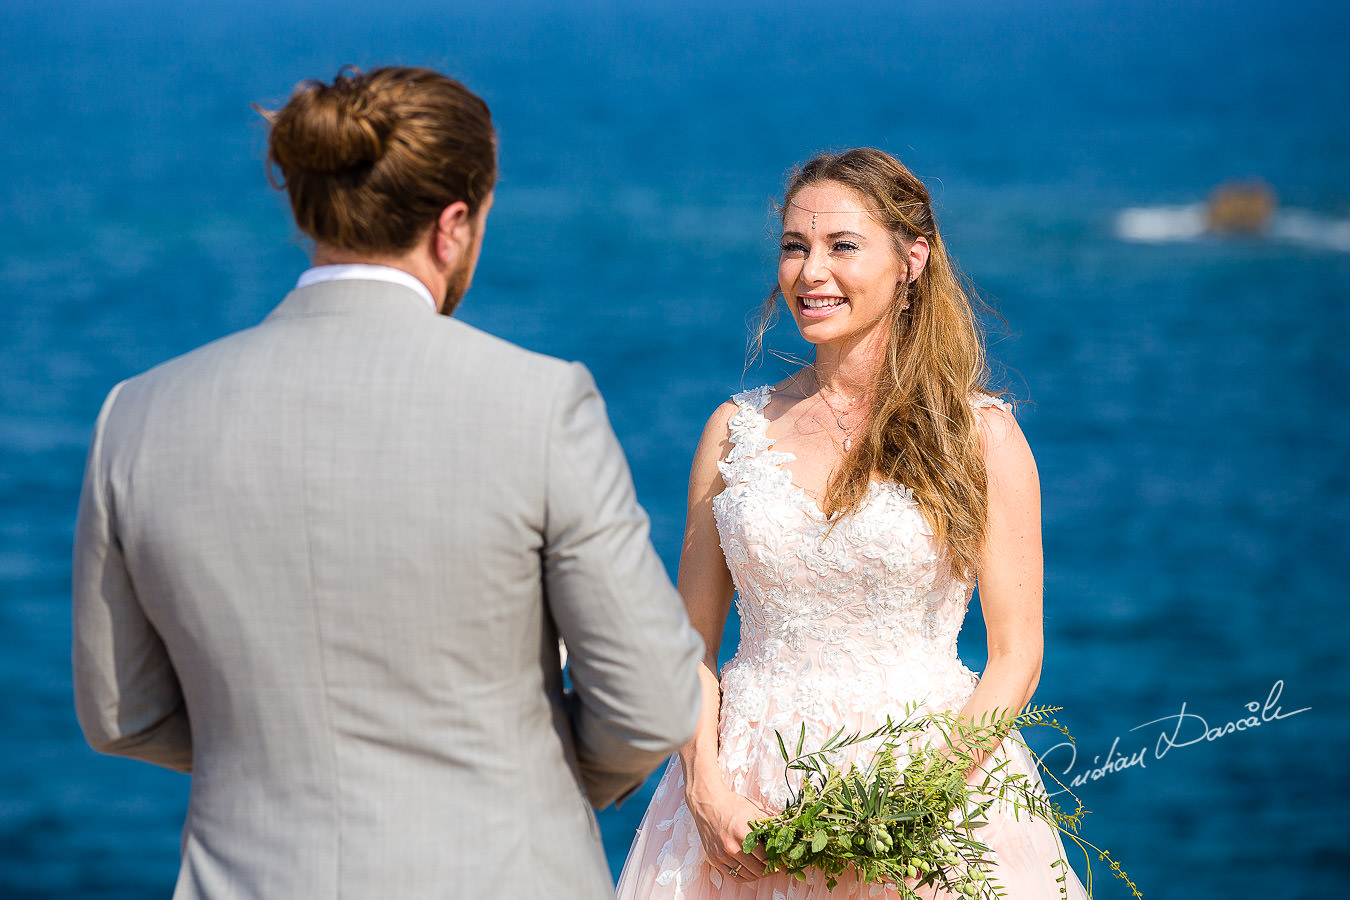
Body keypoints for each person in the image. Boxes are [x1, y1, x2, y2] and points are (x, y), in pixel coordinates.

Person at [72, 65, 704, 900]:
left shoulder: (137, 415)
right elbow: (652, 704)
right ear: (453, 225)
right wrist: (523, 777)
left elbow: (123, 713)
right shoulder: (540, 403)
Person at [616, 148, 1089, 899]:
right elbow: (691, 646)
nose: (811, 273)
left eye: (842, 247)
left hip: (932, 791)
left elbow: (1016, 658)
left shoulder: (981, 436)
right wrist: (705, 788)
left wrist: (915, 807)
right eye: (795, 248)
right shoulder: (733, 430)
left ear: (912, 260)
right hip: (746, 798)